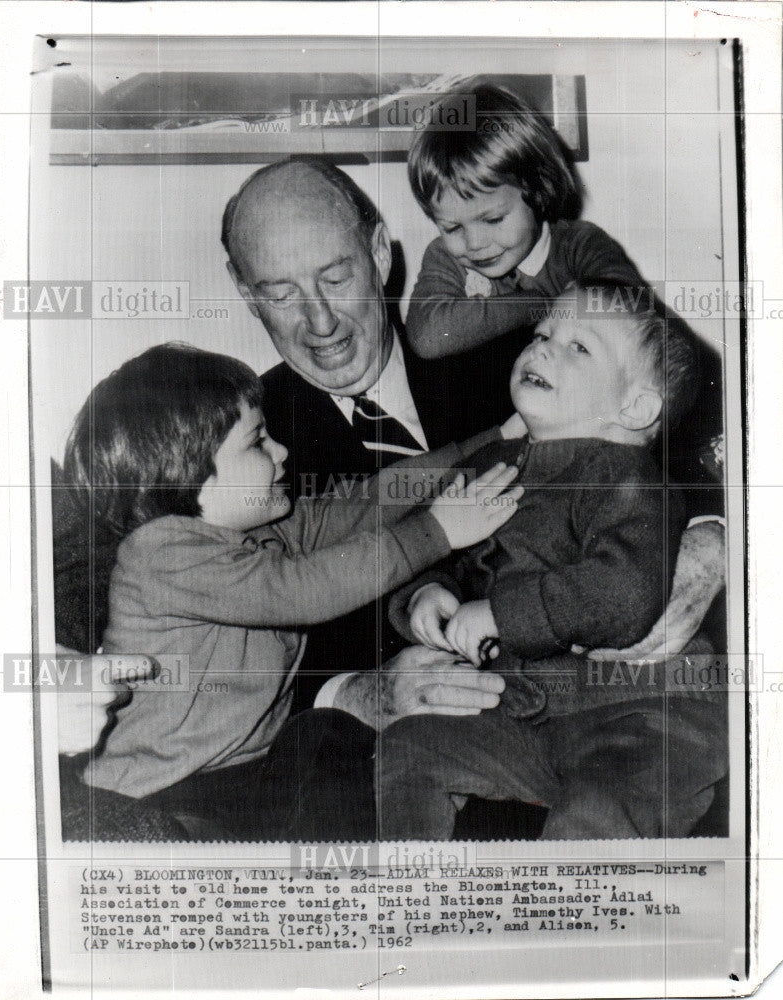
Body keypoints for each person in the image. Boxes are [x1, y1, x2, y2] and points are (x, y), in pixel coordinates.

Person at [220, 157, 726, 708]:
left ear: (381, 254)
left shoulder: (533, 352)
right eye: (281, 293)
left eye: (336, 279)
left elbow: (704, 438)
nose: (321, 322)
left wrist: (710, 544)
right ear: (246, 294)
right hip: (411, 753)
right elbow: (235, 649)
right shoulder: (236, 450)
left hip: (615, 712)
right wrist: (353, 695)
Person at [66, 342, 521, 840]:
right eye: (258, 442)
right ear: (188, 471)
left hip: (243, 777)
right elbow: (300, 589)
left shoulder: (264, 531)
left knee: (326, 735)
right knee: (318, 742)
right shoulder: (159, 553)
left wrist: (488, 443)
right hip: (159, 796)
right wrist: (439, 532)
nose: (281, 451)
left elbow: (365, 502)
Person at [379, 284, 728, 841]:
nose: (542, 349)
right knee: (408, 746)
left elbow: (623, 593)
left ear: (634, 408)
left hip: (644, 713)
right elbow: (448, 550)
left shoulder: (629, 477)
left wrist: (498, 615)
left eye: (578, 347)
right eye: (542, 335)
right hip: (535, 718)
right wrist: (430, 593)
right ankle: (413, 901)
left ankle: (566, 921)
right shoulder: (489, 465)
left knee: (598, 808)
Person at [404, 82, 648, 431]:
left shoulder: (579, 246)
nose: (473, 243)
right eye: (451, 227)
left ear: (538, 189)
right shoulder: (446, 258)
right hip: (493, 436)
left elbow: (636, 326)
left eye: (492, 219)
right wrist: (534, 303)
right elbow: (428, 337)